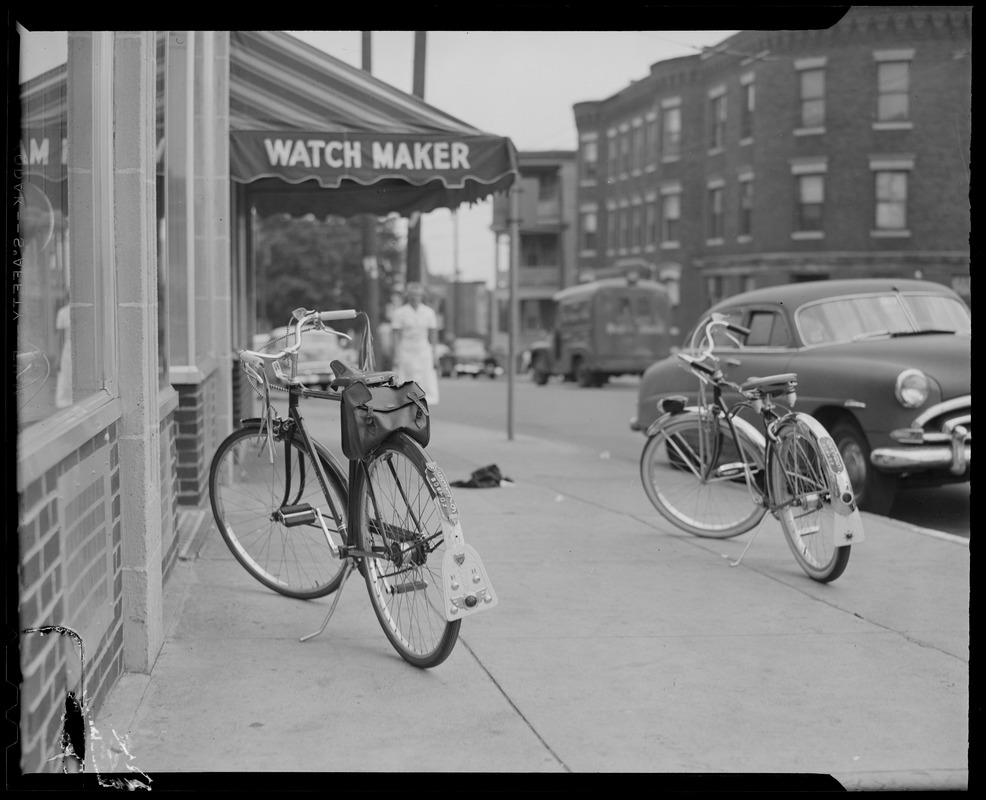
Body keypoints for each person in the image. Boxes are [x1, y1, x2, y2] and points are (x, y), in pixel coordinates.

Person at [390, 283, 440, 404]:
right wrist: (395, 354)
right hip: (406, 347)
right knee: (406, 374)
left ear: (422, 296)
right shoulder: (400, 313)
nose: (415, 298)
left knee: (425, 374)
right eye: (412, 295)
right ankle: (404, 398)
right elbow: (396, 335)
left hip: (423, 346)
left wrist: (434, 353)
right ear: (408, 296)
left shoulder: (429, 312)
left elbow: (433, 333)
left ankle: (424, 398)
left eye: (417, 295)